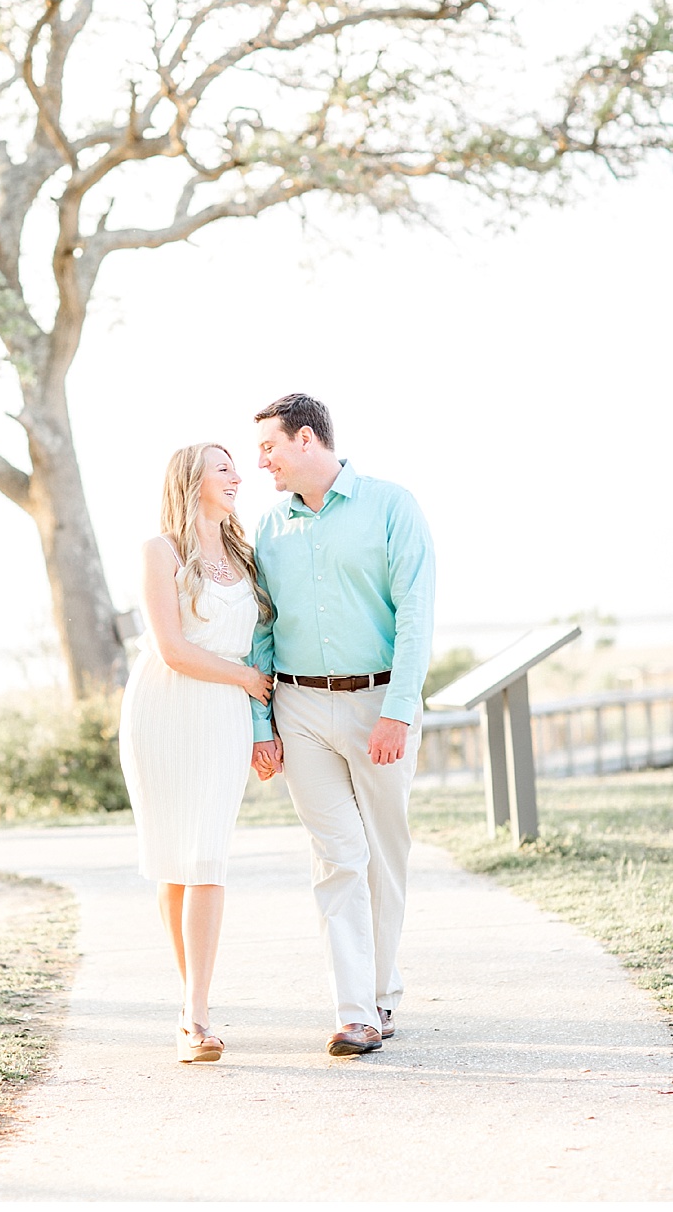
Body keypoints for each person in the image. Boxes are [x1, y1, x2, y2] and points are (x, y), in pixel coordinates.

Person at [245, 393, 436, 1058]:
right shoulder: (269, 528)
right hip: (298, 708)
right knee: (337, 858)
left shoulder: (392, 506)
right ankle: (353, 1011)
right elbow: (260, 631)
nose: (260, 460)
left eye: (269, 445)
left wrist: (397, 711)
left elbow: (416, 614)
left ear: (306, 440)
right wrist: (259, 723)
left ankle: (383, 995)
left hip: (377, 702)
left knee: (385, 853)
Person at [119, 443, 274, 1063]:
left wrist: (263, 722)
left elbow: (263, 642)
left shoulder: (246, 556)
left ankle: (194, 1011)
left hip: (224, 717)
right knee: (175, 859)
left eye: (236, 467)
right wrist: (244, 681)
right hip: (164, 708)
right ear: (192, 479)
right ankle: (194, 1011)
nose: (238, 476)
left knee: (207, 856)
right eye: (224, 467)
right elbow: (172, 649)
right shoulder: (161, 552)